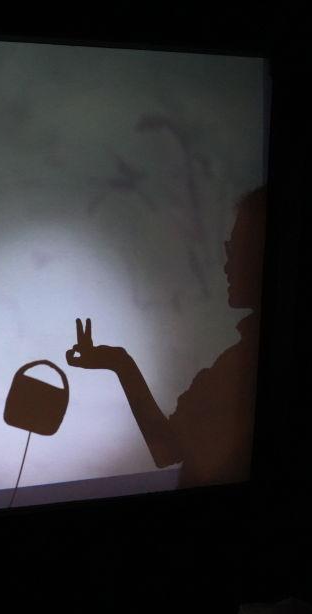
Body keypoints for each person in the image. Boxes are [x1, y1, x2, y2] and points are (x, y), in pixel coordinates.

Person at [65, 186, 266, 488]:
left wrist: (120, 364)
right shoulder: (238, 365)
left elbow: (166, 447)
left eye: (236, 250)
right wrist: (119, 362)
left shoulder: (238, 371)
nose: (227, 264)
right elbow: (167, 448)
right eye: (230, 250)